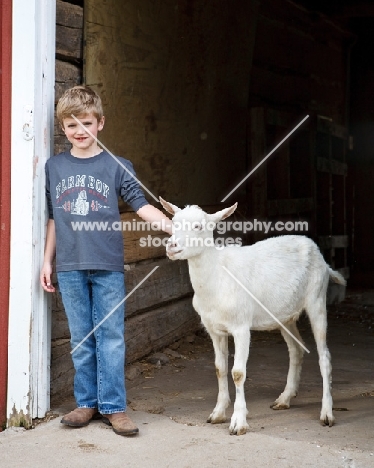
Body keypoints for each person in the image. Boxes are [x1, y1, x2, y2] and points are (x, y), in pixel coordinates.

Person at [40, 85, 172, 436]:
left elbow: (141, 205)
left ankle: (114, 407)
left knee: (111, 335)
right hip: (69, 265)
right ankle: (86, 403)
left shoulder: (117, 166)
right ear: (62, 128)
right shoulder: (55, 167)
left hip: (108, 264)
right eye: (71, 126)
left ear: (100, 123)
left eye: (86, 123)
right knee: (81, 337)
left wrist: (175, 228)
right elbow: (54, 217)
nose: (79, 132)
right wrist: (46, 261)